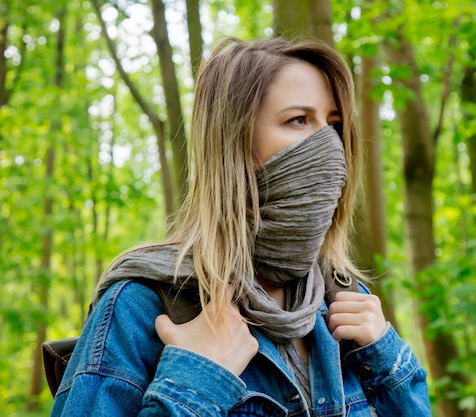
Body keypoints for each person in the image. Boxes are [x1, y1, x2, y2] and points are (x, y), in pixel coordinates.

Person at [50, 37, 431, 416]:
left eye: (333, 125)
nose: (329, 146)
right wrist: (197, 380)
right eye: (299, 119)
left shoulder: (343, 298)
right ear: (234, 143)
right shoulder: (142, 305)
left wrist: (386, 360)